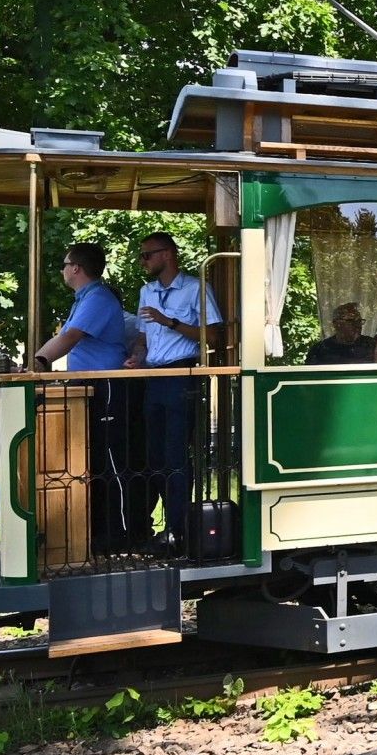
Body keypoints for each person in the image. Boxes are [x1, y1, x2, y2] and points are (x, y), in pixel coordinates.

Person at [123, 232, 224, 556]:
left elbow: (215, 336)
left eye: (147, 255)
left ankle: (179, 531)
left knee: (176, 456)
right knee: (154, 457)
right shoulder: (146, 291)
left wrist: (172, 322)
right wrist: (137, 357)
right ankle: (162, 526)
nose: (143, 262)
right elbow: (142, 336)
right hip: (154, 376)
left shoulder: (196, 288)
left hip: (183, 375)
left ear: (167, 255)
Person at [30, 241, 134, 554]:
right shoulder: (85, 298)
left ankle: (119, 533)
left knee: (110, 462)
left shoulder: (98, 297)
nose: (62, 270)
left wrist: (39, 363)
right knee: (93, 460)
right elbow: (64, 335)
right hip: (89, 385)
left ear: (76, 268)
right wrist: (36, 360)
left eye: (64, 264)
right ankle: (96, 531)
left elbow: (69, 337)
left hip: (106, 385)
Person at [306, 303, 375, 365]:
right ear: (336, 324)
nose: (357, 325)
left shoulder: (371, 345)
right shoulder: (320, 350)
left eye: (359, 321)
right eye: (351, 321)